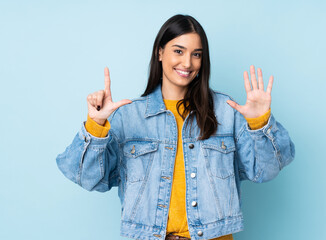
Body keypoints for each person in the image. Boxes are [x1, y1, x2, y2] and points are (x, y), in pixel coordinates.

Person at [56, 14, 295, 240]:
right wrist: (96, 125)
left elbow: (264, 171)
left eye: (197, 54)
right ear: (160, 52)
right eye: (178, 51)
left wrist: (260, 122)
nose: (187, 62)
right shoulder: (129, 116)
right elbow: (87, 178)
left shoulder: (226, 111)